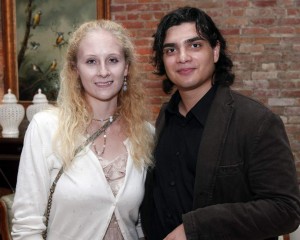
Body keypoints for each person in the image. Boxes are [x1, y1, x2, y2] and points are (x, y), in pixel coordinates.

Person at [141, 6, 300, 240]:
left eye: (195, 45)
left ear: (215, 51)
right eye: (171, 49)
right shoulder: (166, 116)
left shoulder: (256, 122)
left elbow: (285, 210)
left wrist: (195, 227)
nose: (182, 57)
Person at [11, 19, 154, 240]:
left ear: (126, 67)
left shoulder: (145, 134)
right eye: (91, 61)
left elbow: (143, 225)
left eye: (113, 60)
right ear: (75, 69)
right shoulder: (46, 128)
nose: (103, 71)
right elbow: (26, 228)